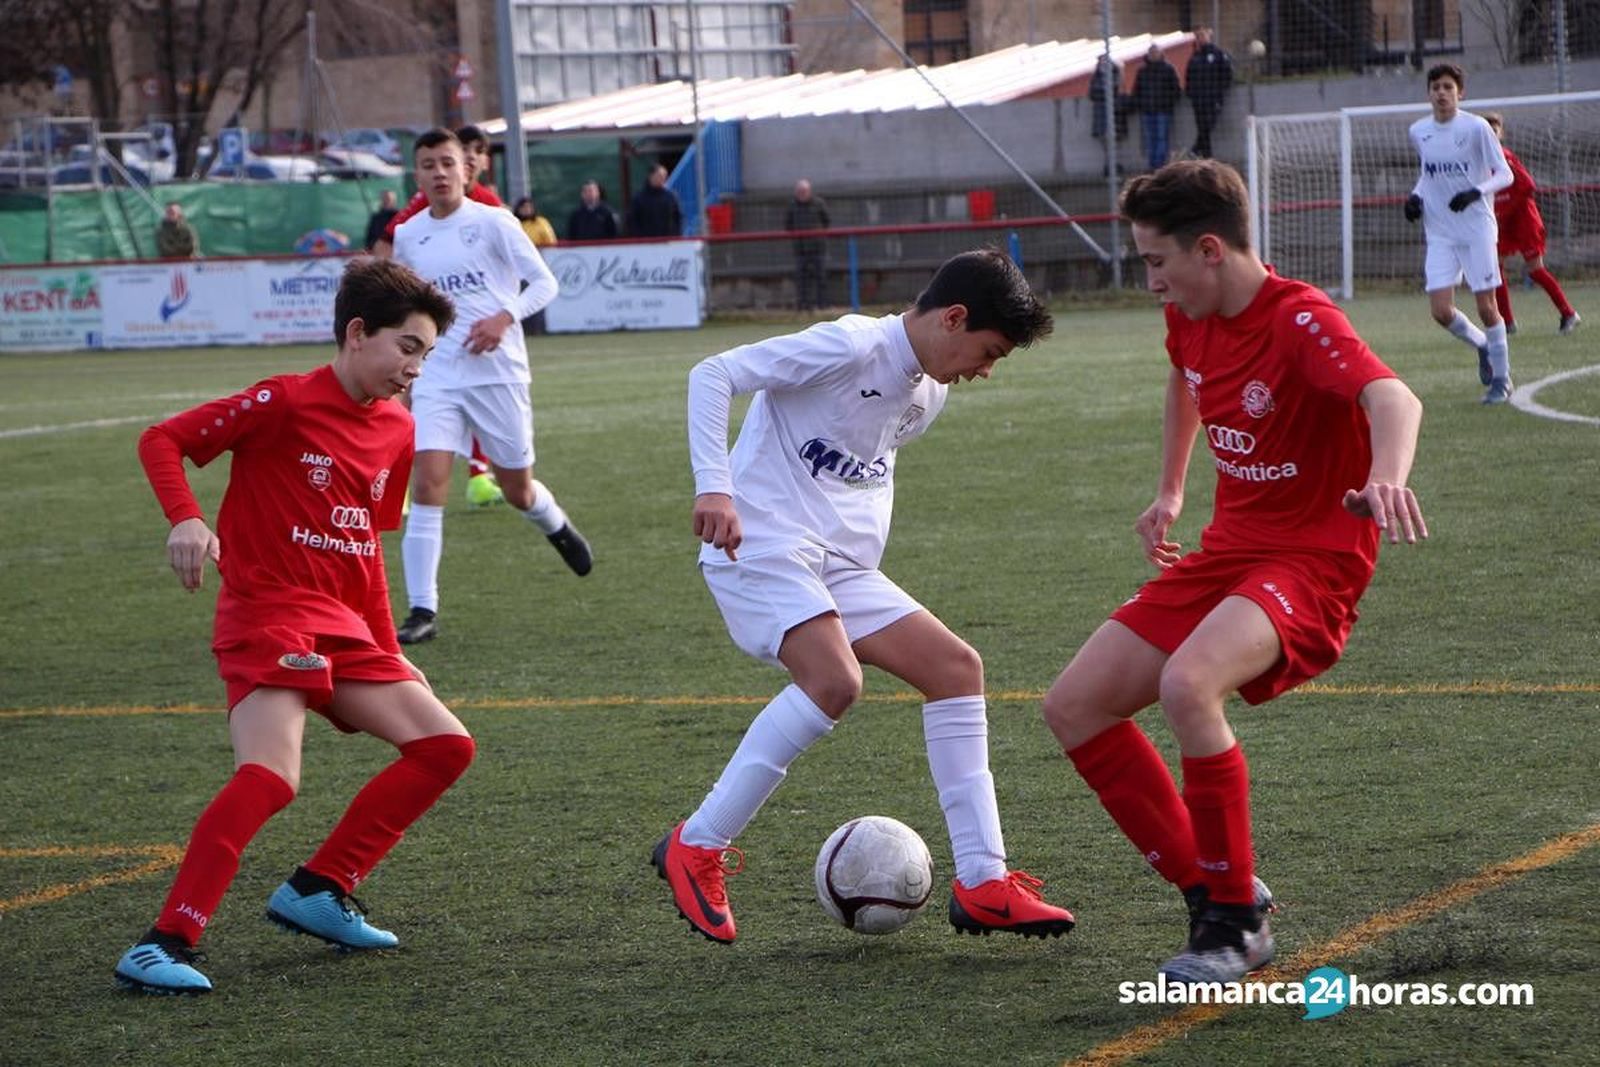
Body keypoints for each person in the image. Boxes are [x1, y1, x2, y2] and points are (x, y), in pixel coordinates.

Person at [1041, 159, 1427, 985]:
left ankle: (1235, 926)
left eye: (1155, 260)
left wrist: (1387, 475)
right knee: (1073, 705)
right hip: (1229, 551)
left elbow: (1393, 397)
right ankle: (1217, 890)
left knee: (1189, 683)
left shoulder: (1300, 318)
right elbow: (1186, 384)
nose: (1150, 281)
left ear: (1208, 248)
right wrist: (1171, 489)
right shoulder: (1191, 316)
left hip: (1314, 560)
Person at [654, 249, 1075, 945]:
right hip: (759, 545)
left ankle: (982, 880)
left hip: (837, 567)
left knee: (955, 669)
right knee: (834, 680)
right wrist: (714, 485)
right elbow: (714, 373)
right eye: (988, 350)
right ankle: (696, 845)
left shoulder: (927, 390)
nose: (986, 370)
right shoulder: (848, 345)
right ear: (954, 317)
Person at [114, 258, 473, 995]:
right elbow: (163, 439)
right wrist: (186, 516)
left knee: (444, 746)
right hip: (269, 618)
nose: (415, 368)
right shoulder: (283, 400)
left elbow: (365, 549)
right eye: (407, 347)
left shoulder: (399, 432)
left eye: (426, 355)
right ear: (356, 333)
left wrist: (387, 647)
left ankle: (320, 886)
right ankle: (164, 939)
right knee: (272, 776)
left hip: (343, 626)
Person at [391, 128, 591, 646]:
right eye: (428, 164)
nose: (439, 172)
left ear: (467, 170)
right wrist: (404, 372)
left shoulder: (495, 223)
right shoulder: (409, 236)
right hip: (438, 376)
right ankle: (421, 608)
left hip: (498, 374)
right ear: (417, 175)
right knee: (428, 484)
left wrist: (505, 316)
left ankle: (555, 524)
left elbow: (546, 283)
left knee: (516, 489)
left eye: (447, 163)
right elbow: (407, 311)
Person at [1404, 63, 1515, 404]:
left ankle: (1502, 380)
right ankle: (1483, 345)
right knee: (1440, 310)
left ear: (1460, 93)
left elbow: (1505, 174)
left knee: (1486, 306)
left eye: (1448, 87)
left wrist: (1475, 192)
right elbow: (1428, 173)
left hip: (1476, 229)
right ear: (1428, 93)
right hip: (1439, 232)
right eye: (1435, 87)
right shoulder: (1419, 131)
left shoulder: (1477, 128)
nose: (1441, 93)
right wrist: (1416, 196)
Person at [1483, 112, 1580, 336]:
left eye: (1494, 129)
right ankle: (1507, 323)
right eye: (1486, 130)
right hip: (1501, 222)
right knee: (1495, 270)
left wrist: (1504, 209)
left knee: (1535, 269)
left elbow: (1527, 185)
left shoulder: (1505, 157)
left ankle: (1568, 313)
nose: (1490, 134)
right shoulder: (1479, 162)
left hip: (1522, 219)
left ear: (1501, 133)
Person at [374, 125, 504, 258]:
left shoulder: (492, 206)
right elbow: (385, 243)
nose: (471, 155)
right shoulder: (426, 200)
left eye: (478, 151)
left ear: (486, 162)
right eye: (464, 148)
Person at [1184, 27, 1234, 159]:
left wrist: (1219, 91)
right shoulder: (1195, 57)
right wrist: (1191, 93)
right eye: (1197, 36)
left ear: (1209, 36)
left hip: (1212, 99)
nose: (1200, 38)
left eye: (1202, 35)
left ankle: (1196, 150)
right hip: (1198, 100)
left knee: (1207, 126)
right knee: (1202, 128)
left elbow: (1227, 74)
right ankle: (1206, 157)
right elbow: (1188, 77)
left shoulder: (1218, 54)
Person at [513, 196, 559, 335]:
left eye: (529, 207)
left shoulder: (541, 223)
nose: (527, 210)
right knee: (519, 298)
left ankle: (538, 328)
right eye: (523, 207)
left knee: (536, 296)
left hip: (535, 266)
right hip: (516, 269)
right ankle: (523, 329)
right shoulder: (514, 223)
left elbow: (551, 243)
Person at [1131, 44, 1182, 171]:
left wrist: (1167, 102)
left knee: (1161, 138)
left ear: (1161, 53)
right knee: (1149, 139)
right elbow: (1136, 90)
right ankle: (1152, 165)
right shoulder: (1142, 71)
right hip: (1147, 110)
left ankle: (1159, 165)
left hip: (1163, 110)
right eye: (1151, 52)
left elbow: (1176, 89)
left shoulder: (1168, 69)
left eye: (1155, 52)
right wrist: (1141, 104)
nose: (1153, 55)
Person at [784, 178, 831, 311]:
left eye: (804, 191)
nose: (802, 194)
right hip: (801, 249)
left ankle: (822, 305)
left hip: (818, 248)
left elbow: (826, 221)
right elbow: (788, 225)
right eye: (799, 191)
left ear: (809, 191)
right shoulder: (792, 206)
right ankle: (803, 305)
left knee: (821, 277)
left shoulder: (819, 204)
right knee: (801, 279)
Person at [627, 164, 683, 238]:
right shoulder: (639, 198)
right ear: (651, 176)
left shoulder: (671, 197)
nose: (662, 179)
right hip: (646, 242)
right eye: (659, 176)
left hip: (668, 242)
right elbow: (632, 220)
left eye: (664, 176)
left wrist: (675, 235)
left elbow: (678, 218)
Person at [1088, 52, 1128, 143]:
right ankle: (1102, 134)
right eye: (1101, 61)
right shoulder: (1097, 74)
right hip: (1100, 104)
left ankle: (1113, 136)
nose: (1102, 63)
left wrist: (1104, 90)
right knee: (1102, 128)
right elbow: (1092, 91)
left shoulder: (1115, 71)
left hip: (1113, 104)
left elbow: (1115, 87)